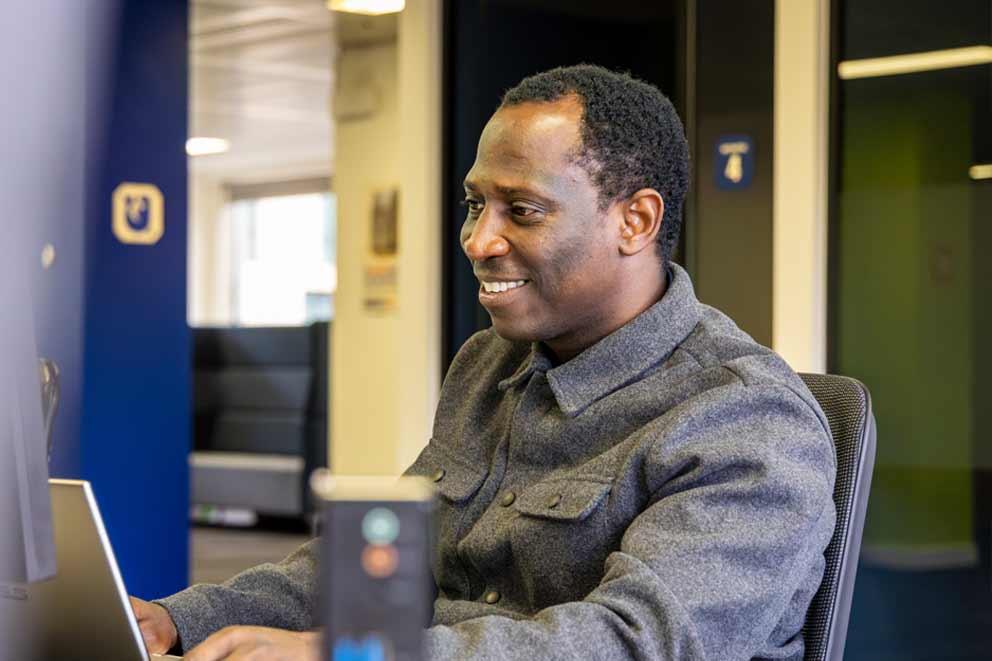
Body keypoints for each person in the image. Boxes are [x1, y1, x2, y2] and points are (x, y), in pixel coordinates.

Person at [132, 64, 836, 660]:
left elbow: (631, 642)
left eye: (521, 210)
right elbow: (371, 566)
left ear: (637, 221)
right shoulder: (487, 363)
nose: (478, 239)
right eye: (476, 205)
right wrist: (180, 617)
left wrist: (349, 649)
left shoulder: (746, 417)